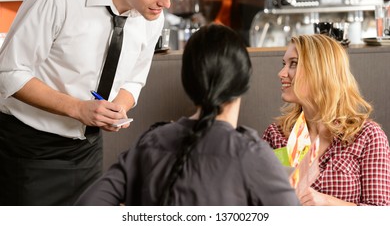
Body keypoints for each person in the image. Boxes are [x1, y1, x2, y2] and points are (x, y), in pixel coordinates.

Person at [0, 0, 187, 205]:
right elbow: (9, 72)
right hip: (29, 148)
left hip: (88, 150)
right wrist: (78, 109)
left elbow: (134, 79)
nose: (165, 3)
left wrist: (116, 110)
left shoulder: (152, 15)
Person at [75, 24, 300, 206]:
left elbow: (88, 208)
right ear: (243, 82)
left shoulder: (149, 143)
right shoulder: (252, 154)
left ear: (188, 83)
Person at [262, 34, 390, 206]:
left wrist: (327, 203)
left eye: (293, 63)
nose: (281, 73)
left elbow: (380, 216)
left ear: (320, 71)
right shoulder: (277, 136)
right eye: (284, 64)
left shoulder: (367, 136)